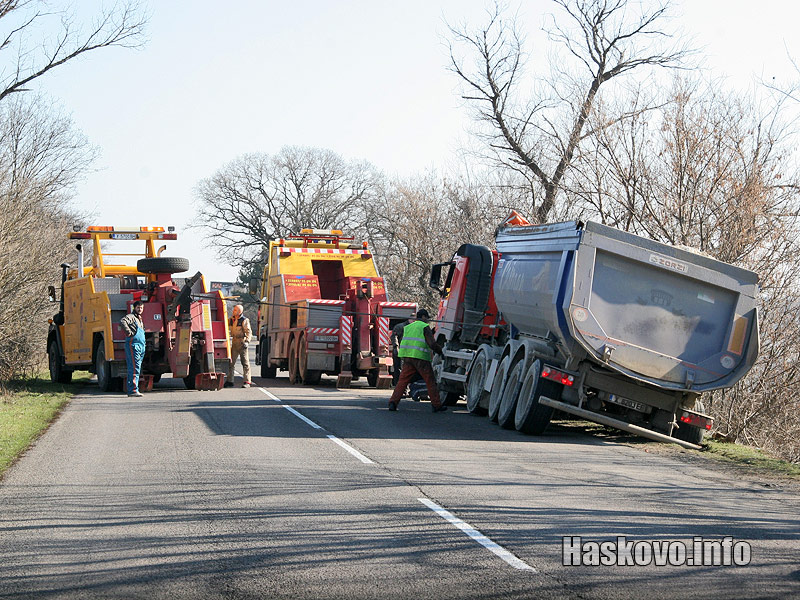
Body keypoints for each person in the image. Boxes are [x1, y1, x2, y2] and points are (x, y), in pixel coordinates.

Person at [387, 308, 446, 412]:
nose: (427, 320)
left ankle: (393, 403)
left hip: (407, 357)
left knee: (402, 381)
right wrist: (440, 351)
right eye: (427, 318)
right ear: (423, 317)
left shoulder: (408, 327)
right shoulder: (424, 326)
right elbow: (432, 343)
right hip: (421, 358)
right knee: (430, 381)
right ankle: (436, 405)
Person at [120, 300, 146, 397]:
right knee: (134, 368)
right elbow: (123, 321)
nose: (140, 309)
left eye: (141, 308)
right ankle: (133, 390)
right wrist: (128, 332)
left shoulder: (140, 319)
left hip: (141, 346)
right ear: (134, 308)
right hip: (134, 345)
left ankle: (135, 389)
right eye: (138, 307)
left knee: (137, 368)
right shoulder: (131, 317)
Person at [226, 304, 253, 388]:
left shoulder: (244, 320)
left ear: (239, 312)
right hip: (234, 342)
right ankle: (230, 381)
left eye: (235, 310)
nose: (233, 311)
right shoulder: (231, 320)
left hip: (242, 343)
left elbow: (248, 332)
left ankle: (247, 381)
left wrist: (247, 342)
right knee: (231, 363)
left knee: (245, 363)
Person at [390, 317, 412, 387]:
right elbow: (394, 336)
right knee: (399, 370)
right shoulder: (400, 327)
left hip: (409, 353)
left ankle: (406, 388)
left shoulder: (413, 328)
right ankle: (400, 388)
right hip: (400, 352)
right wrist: (396, 347)